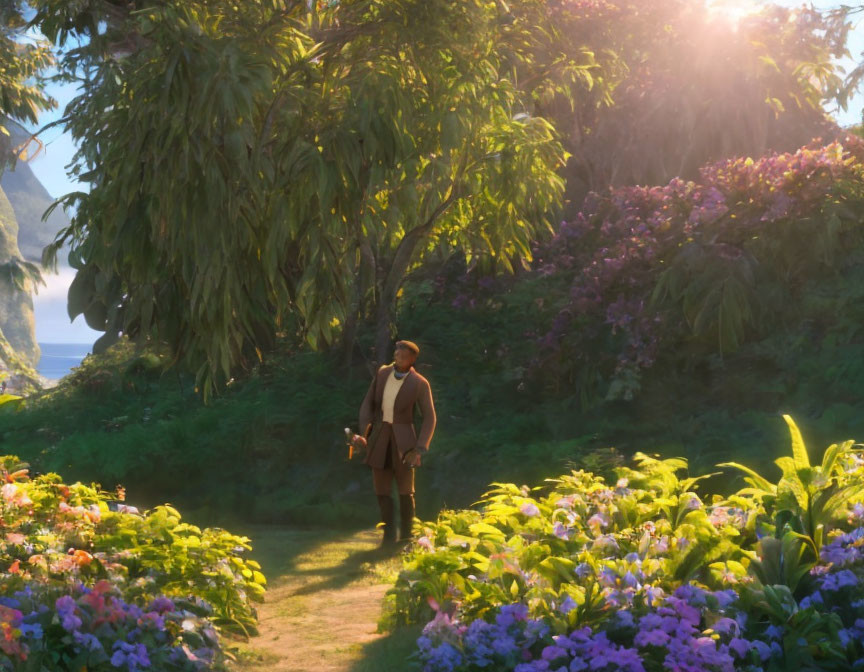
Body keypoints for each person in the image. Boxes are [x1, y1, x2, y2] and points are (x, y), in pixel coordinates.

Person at [358, 340, 436, 547]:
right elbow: (368, 403)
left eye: (404, 352)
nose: (399, 354)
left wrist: (420, 447)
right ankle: (389, 535)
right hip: (380, 436)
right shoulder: (382, 374)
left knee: (405, 490)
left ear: (413, 358)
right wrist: (364, 432)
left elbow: (429, 417)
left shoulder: (419, 383)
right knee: (381, 489)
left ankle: (407, 536)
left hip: (405, 441)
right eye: (397, 350)